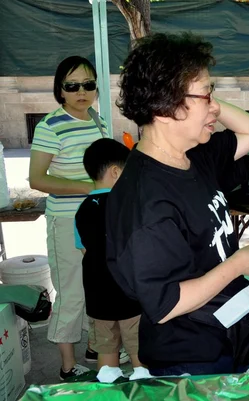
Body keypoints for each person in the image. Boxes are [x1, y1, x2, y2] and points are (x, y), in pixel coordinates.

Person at [105, 32, 249, 376]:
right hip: (191, 357)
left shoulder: (194, 154)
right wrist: (239, 262)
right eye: (206, 95)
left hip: (228, 330)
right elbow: (166, 304)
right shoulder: (145, 203)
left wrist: (205, 99)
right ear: (165, 108)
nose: (215, 106)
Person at [29, 56, 109, 380]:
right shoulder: (50, 125)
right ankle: (67, 367)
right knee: (72, 293)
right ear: (60, 90)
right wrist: (88, 187)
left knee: (95, 285)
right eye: (72, 85)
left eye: (88, 84)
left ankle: (93, 347)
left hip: (95, 220)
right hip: (66, 222)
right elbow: (37, 179)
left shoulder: (96, 120)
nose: (82, 92)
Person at [74, 138, 143, 371]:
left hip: (98, 297)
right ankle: (145, 386)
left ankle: (108, 387)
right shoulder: (130, 204)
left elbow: (84, 249)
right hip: (130, 294)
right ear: (115, 172)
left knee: (106, 349)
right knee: (138, 349)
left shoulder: (82, 209)